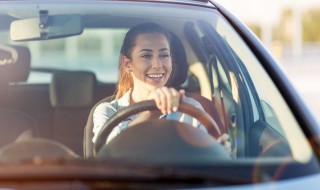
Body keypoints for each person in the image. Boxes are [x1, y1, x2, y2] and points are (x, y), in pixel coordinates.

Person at [92, 22, 231, 153]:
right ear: (127, 64)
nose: (157, 65)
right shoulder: (107, 111)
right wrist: (150, 113)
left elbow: (204, 160)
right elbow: (108, 155)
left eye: (164, 55)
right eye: (146, 55)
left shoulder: (191, 109)